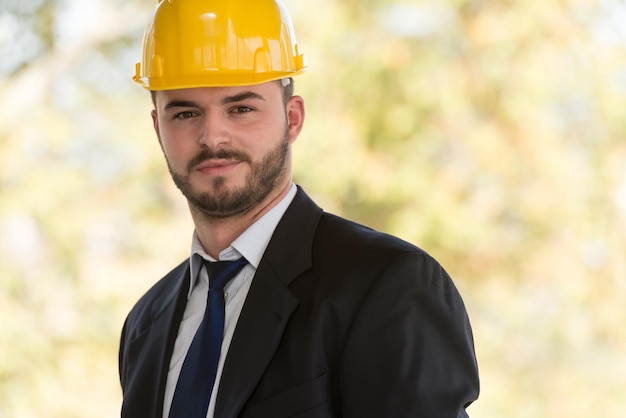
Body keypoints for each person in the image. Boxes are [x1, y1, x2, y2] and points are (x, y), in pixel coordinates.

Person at [118, 0, 480, 417]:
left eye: (241, 108)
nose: (212, 136)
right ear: (158, 130)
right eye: (185, 113)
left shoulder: (386, 286)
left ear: (293, 119)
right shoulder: (145, 324)